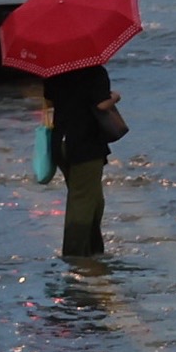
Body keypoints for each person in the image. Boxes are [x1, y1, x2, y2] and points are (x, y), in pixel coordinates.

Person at [44, 66, 119, 258]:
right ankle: (75, 254)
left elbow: (50, 100)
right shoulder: (95, 72)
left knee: (92, 198)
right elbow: (102, 105)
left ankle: (93, 249)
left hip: (60, 143)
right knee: (83, 200)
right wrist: (115, 97)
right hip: (85, 143)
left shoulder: (54, 70)